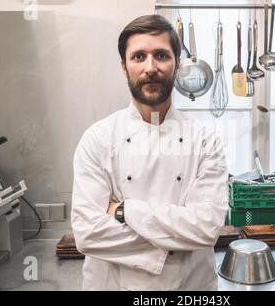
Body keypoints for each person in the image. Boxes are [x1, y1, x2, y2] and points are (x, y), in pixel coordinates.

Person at [71, 14, 228, 291]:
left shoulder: (205, 141)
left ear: (177, 64)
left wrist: (124, 210)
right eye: (139, 57)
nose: (151, 67)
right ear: (124, 66)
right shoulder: (97, 139)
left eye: (161, 55)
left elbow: (206, 229)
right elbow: (87, 235)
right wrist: (175, 240)